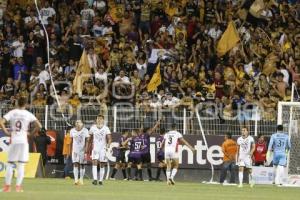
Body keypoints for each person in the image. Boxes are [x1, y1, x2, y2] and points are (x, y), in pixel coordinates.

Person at [0, 97, 42, 192]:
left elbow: (1, 122)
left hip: (14, 139)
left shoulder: (13, 112)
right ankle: (18, 187)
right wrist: (31, 134)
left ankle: (7, 187)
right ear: (26, 104)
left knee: (10, 164)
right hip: (23, 140)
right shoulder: (28, 114)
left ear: (17, 103)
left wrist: (6, 132)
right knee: (21, 164)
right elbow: (39, 126)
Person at [87, 114, 112, 186]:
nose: (99, 120)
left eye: (101, 119)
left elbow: (109, 138)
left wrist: (108, 145)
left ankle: (100, 180)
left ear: (103, 120)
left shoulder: (106, 128)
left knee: (102, 164)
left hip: (103, 149)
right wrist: (88, 146)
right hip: (95, 148)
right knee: (94, 162)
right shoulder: (93, 128)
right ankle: (95, 179)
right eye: (98, 119)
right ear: (96, 120)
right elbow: (90, 138)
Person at [70, 120, 89, 185]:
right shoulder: (72, 130)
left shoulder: (85, 130)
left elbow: (87, 141)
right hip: (75, 150)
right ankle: (76, 180)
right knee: (75, 164)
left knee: (82, 165)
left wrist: (86, 149)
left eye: (79, 122)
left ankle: (81, 179)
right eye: (76, 122)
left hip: (82, 151)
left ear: (82, 124)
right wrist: (70, 150)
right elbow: (71, 141)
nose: (77, 123)